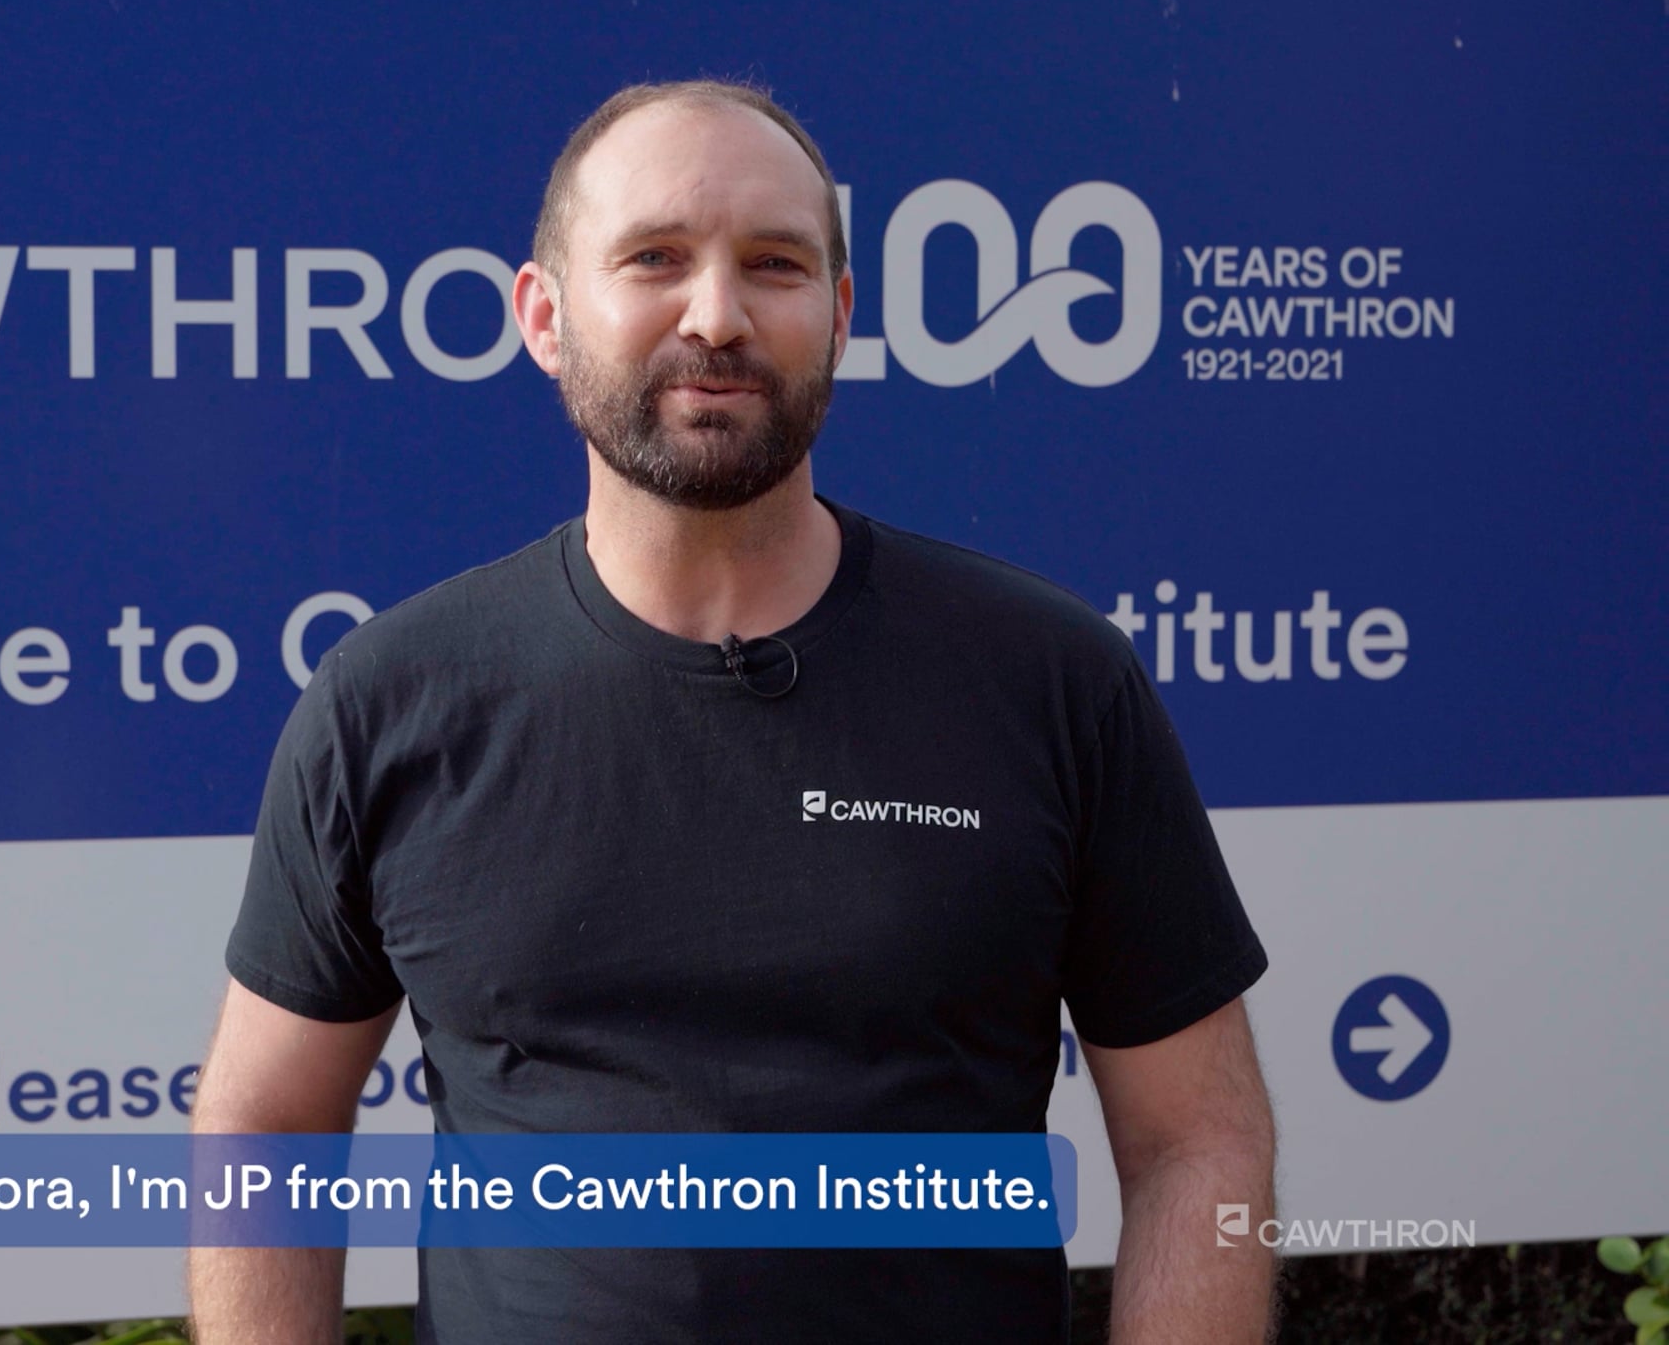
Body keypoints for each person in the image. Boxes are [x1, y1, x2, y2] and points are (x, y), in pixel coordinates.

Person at [189, 80, 1277, 1343]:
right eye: (654, 258)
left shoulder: (1053, 679)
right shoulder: (391, 699)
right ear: (544, 316)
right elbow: (265, 1125)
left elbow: (1199, 1141)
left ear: (841, 315)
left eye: (774, 264)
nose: (717, 316)